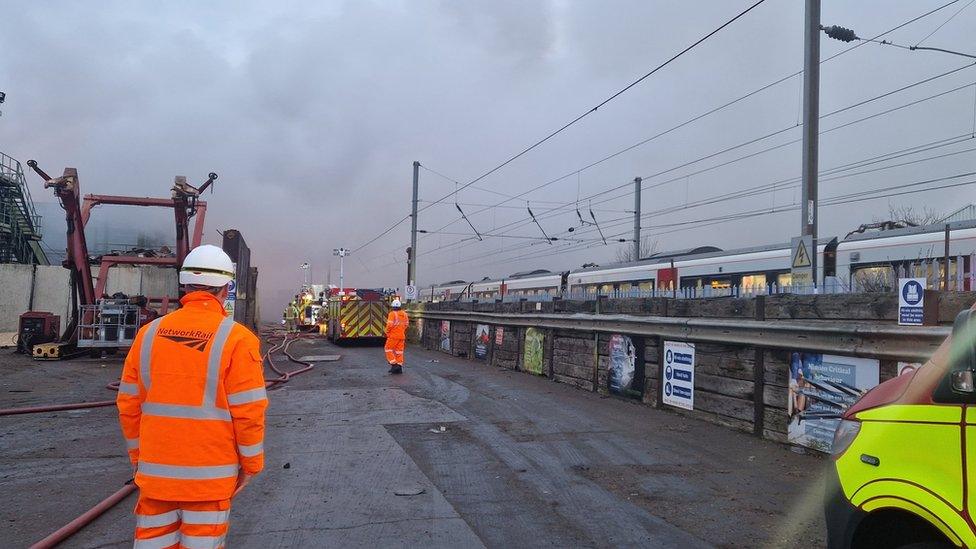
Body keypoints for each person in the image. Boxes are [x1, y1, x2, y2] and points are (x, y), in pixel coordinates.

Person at [116, 244, 268, 548]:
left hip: (155, 477)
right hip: (208, 482)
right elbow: (249, 412)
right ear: (226, 288)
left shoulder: (148, 334)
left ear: (185, 285)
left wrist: (139, 459)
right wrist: (251, 465)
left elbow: (128, 405)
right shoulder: (237, 340)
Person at [385, 298, 408, 374]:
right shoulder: (404, 314)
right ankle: (399, 367)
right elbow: (406, 325)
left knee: (388, 349)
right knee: (399, 351)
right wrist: (401, 330)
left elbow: (389, 325)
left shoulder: (392, 314)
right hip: (402, 335)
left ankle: (394, 365)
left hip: (393, 336)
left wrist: (387, 332)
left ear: (393, 306)